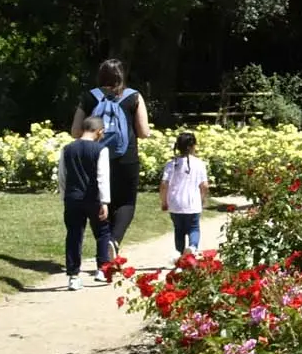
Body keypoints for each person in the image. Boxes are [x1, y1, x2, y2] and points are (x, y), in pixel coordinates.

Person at [72, 59, 151, 277]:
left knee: (100, 203)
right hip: (126, 158)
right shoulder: (133, 96)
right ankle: (114, 240)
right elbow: (143, 132)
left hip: (96, 157)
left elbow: (76, 131)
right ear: (121, 75)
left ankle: (104, 256)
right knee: (126, 202)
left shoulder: (89, 96)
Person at [58, 118, 112, 290]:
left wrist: (64, 196)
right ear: (100, 131)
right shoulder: (101, 149)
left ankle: (73, 276)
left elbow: (62, 175)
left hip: (73, 198)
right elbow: (102, 177)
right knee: (102, 232)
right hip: (94, 198)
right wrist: (105, 201)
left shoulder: (67, 149)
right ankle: (102, 270)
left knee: (74, 235)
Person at [160, 131, 209, 261]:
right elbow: (204, 185)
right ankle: (192, 247)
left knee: (179, 230)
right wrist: (203, 199)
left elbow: (164, 185)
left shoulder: (171, 164)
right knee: (194, 228)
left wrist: (164, 201)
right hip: (192, 202)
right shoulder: (199, 164)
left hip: (175, 203)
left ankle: (179, 254)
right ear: (193, 146)